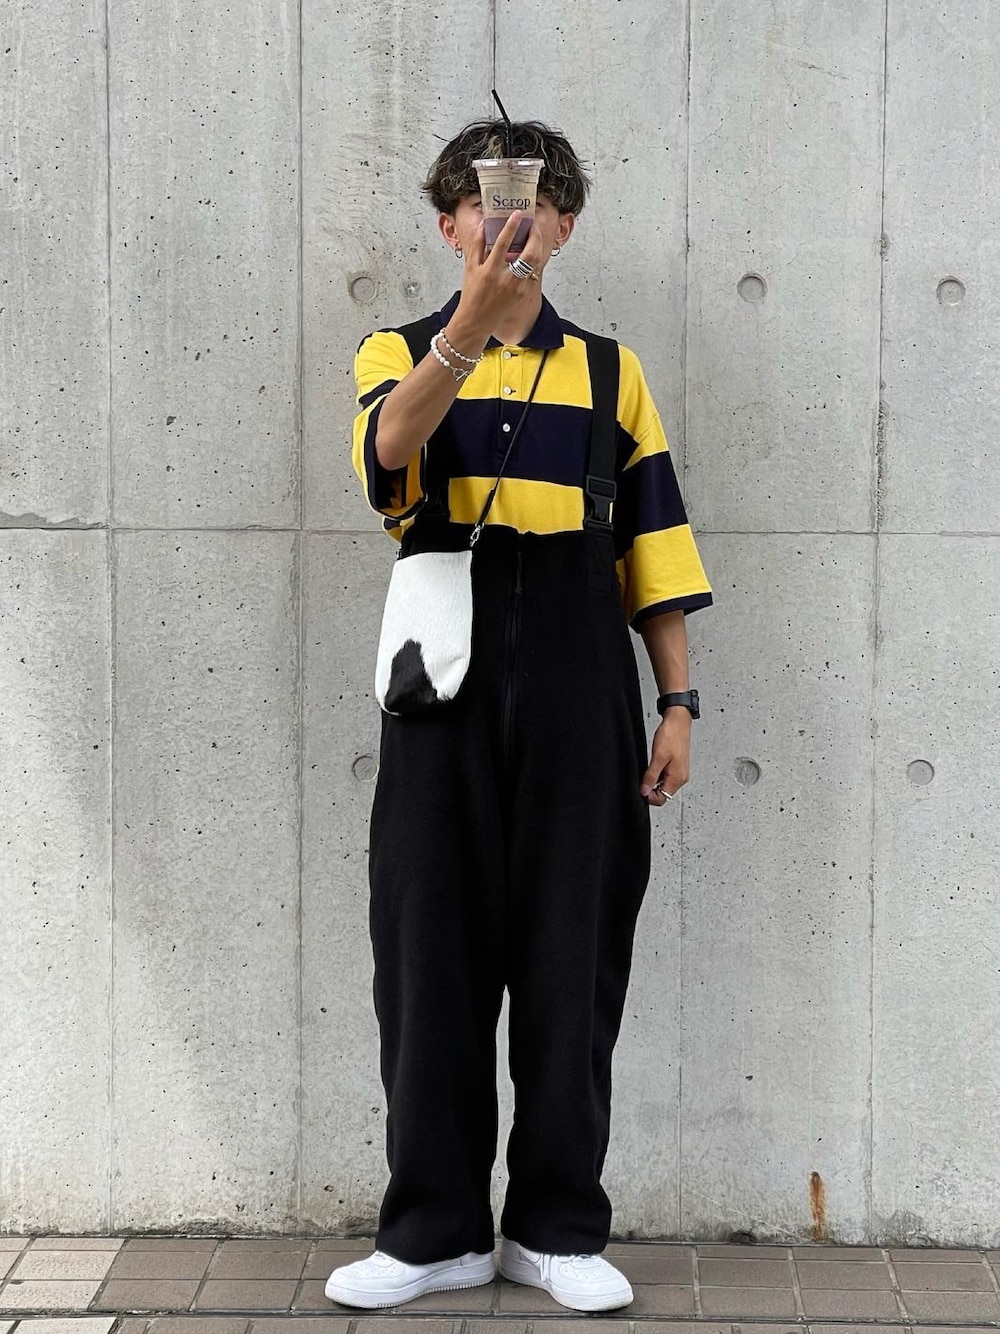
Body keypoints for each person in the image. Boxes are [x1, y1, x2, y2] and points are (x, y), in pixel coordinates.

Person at [326, 118, 713, 1314]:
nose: (509, 221)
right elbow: (388, 457)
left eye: (533, 201)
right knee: (427, 950)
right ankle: (434, 1230)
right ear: (448, 222)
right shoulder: (396, 349)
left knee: (571, 952)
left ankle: (555, 1227)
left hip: (576, 663)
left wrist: (677, 701)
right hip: (438, 669)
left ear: (566, 224)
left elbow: (651, 542)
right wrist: (465, 332)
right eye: (486, 201)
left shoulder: (609, 370)